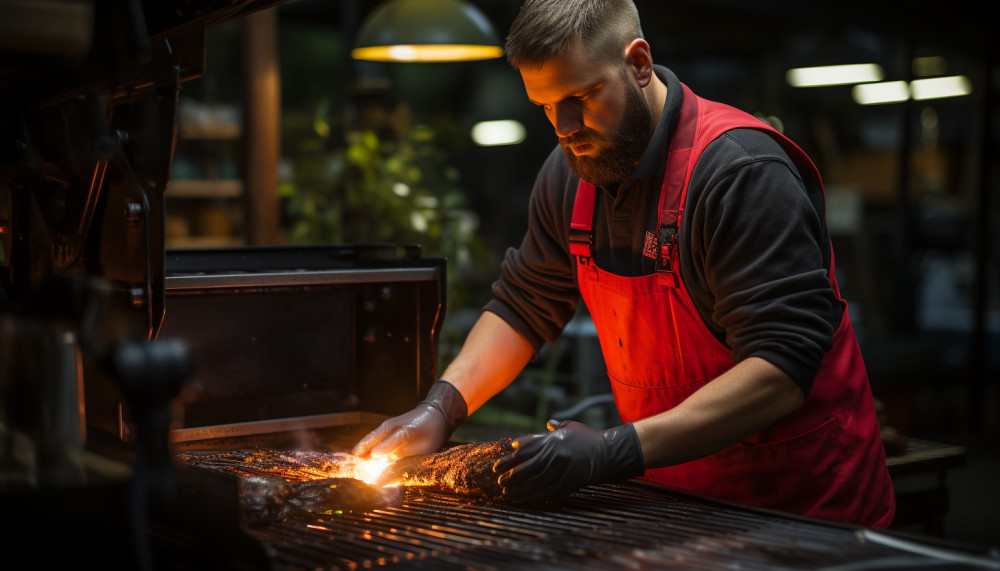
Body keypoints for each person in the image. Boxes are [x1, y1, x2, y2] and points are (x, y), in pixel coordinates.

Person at [353, 0, 895, 528]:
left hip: (802, 511)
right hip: (673, 501)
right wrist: (442, 407)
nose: (563, 126)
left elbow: (781, 369)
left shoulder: (741, 174)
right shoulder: (570, 172)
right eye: (544, 106)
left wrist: (611, 450)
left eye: (581, 96)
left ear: (638, 63)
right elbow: (524, 305)